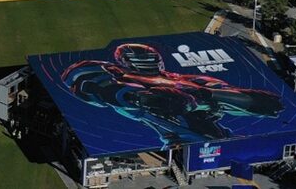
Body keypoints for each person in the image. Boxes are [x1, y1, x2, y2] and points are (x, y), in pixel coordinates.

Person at [60, 43, 283, 146]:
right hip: (170, 121)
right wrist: (139, 96)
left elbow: (246, 98)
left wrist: (204, 95)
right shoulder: (115, 74)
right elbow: (82, 80)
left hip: (201, 126)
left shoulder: (185, 80)